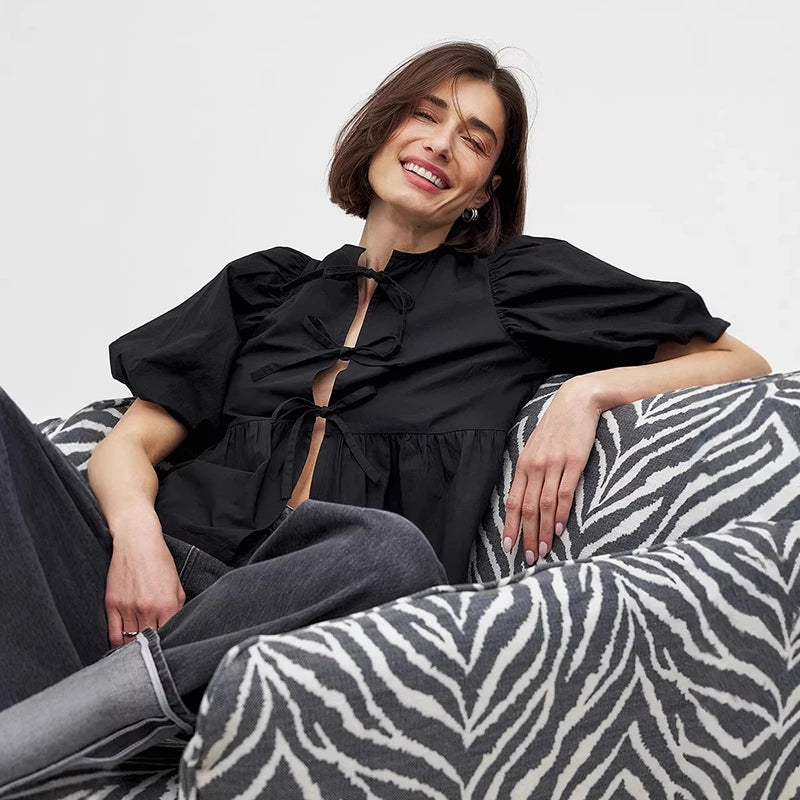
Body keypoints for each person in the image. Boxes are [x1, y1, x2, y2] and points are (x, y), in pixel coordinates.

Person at [0, 40, 770, 788]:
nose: (441, 143)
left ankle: (64, 729)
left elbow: (740, 362)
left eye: (474, 139)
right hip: (137, 586)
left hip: (301, 626)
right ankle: (95, 727)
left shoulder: (516, 286)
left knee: (391, 553)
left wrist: (585, 393)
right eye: (425, 114)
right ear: (380, 131)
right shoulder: (264, 287)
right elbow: (128, 442)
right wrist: (138, 541)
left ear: (483, 189)